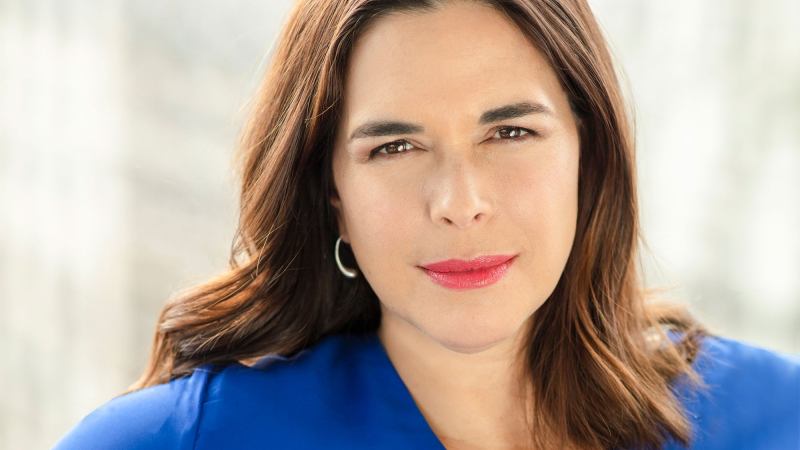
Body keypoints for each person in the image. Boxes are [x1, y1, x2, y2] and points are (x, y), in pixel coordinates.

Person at [53, 1, 799, 449]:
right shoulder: (171, 443)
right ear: (332, 194)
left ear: (590, 155)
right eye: (395, 147)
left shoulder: (775, 419)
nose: (459, 201)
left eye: (510, 132)